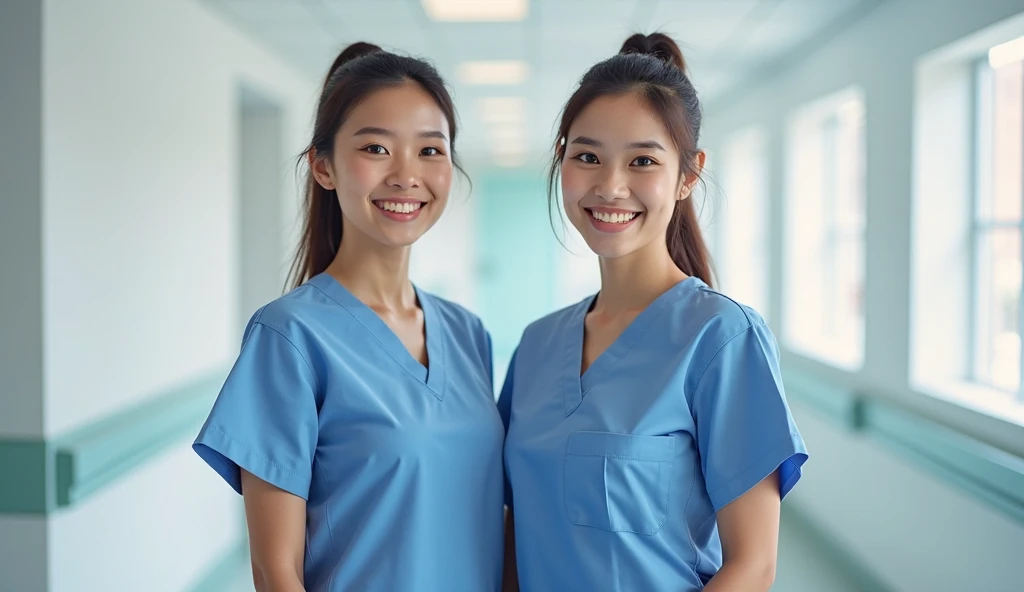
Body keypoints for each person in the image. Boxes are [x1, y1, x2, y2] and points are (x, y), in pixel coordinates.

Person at [498, 33, 808, 592]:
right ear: (562, 162)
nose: (610, 186)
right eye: (587, 156)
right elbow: (516, 531)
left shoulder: (720, 338)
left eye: (643, 160)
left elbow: (753, 567)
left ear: (688, 175)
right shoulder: (538, 346)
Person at [193, 42, 504, 592]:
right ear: (324, 167)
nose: (407, 175)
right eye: (377, 148)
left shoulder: (467, 334)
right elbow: (276, 570)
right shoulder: (288, 337)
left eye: (430, 150)